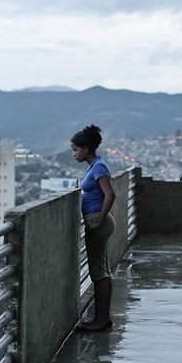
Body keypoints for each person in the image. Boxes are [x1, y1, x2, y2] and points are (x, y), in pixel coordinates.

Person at [71, 124, 115, 331]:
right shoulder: (94, 166)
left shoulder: (99, 167)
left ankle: (101, 320)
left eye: (75, 149)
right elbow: (95, 192)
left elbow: (110, 194)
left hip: (98, 222)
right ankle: (103, 318)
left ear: (86, 149)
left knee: (98, 273)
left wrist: (99, 219)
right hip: (97, 220)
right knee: (102, 272)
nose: (74, 153)